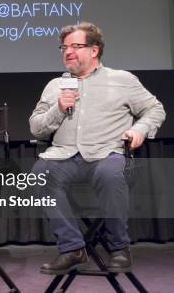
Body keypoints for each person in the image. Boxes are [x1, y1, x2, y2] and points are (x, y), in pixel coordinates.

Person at [29, 22, 165, 275]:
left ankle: (118, 247)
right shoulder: (54, 86)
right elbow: (36, 128)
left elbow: (154, 109)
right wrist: (58, 108)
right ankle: (72, 249)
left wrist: (140, 130)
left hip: (107, 154)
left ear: (94, 50)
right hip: (64, 156)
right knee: (40, 173)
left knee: (110, 174)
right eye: (64, 47)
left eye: (75, 46)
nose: (68, 51)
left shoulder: (122, 80)